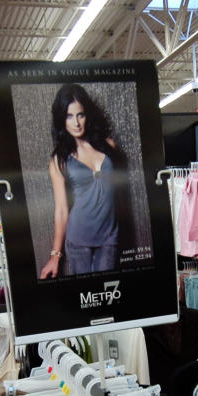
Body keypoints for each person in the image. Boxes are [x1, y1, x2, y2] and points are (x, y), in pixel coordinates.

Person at [40, 83, 125, 278]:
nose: (76, 123)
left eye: (80, 115)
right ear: (62, 119)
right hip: (78, 240)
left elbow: (119, 190)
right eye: (69, 116)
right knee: (87, 301)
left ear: (87, 115)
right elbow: (61, 210)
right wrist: (55, 256)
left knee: (108, 299)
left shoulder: (109, 146)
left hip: (109, 237)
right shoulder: (59, 160)